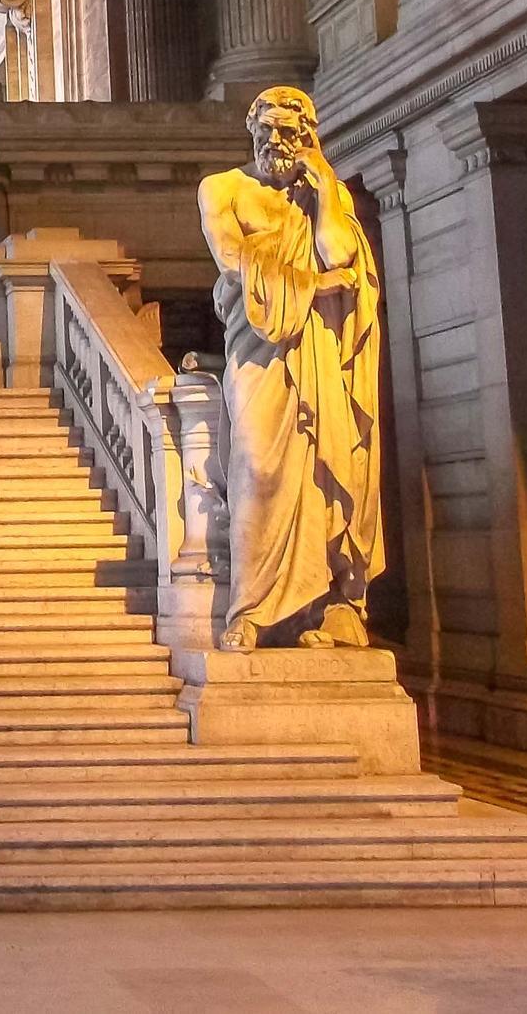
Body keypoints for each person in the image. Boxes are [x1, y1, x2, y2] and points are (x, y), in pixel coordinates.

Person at [196, 86, 385, 651]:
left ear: (306, 137)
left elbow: (340, 254)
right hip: (257, 344)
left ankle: (320, 608)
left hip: (317, 347)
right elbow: (233, 261)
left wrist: (325, 185)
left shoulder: (321, 193)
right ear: (251, 131)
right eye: (267, 131)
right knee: (256, 465)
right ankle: (250, 610)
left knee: (322, 472)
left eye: (288, 133)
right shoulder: (223, 188)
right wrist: (317, 287)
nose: (275, 143)